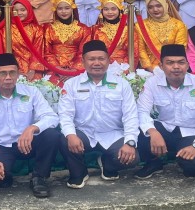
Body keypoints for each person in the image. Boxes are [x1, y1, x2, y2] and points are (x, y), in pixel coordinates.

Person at [0, 53, 61, 198]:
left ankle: (39, 177)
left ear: (18, 73)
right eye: (2, 73)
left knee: (51, 135)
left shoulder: (31, 92)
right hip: (0, 147)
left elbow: (51, 117)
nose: (8, 77)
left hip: (27, 143)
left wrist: (32, 128)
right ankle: (6, 176)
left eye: (12, 72)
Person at [59, 40, 139, 188]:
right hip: (84, 134)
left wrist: (129, 142)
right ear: (83, 61)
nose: (97, 63)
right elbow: (65, 115)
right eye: (91, 59)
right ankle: (79, 173)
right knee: (65, 138)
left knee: (132, 158)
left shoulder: (122, 84)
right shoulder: (71, 85)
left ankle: (108, 165)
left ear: (108, 61)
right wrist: (71, 135)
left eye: (101, 59)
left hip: (112, 134)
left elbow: (130, 115)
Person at [135, 44, 195, 179]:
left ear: (187, 65)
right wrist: (152, 132)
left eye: (181, 62)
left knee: (194, 167)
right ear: (161, 66)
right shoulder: (152, 83)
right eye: (170, 63)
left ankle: (184, 161)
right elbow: (141, 111)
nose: (176, 67)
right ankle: (153, 162)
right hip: (165, 129)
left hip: (191, 133)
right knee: (140, 128)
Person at [92, 0, 147, 65]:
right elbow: (92, 53)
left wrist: (123, 69)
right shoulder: (95, 29)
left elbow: (134, 54)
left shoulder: (128, 30)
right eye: (106, 9)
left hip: (123, 67)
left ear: (119, 10)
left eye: (113, 9)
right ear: (102, 11)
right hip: (101, 66)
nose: (110, 12)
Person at [42, 0, 91, 76]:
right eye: (60, 8)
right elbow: (47, 52)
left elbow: (83, 52)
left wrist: (74, 70)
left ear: (72, 8)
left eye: (67, 8)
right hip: (53, 70)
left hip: (76, 70)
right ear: (55, 9)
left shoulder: (83, 29)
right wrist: (57, 68)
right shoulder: (48, 28)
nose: (63, 11)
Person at [0, 0, 45, 78]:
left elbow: (38, 50)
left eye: (23, 10)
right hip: (10, 67)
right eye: (16, 10)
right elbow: (3, 50)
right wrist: (13, 70)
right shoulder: (6, 29)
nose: (19, 13)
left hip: (32, 68)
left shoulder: (37, 29)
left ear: (29, 10)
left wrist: (32, 70)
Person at [138, 0, 188, 71]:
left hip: (173, 68)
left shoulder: (178, 25)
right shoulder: (140, 25)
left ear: (166, 6)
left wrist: (170, 68)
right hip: (148, 69)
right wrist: (151, 69)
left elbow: (180, 49)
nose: (155, 9)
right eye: (150, 7)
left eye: (159, 6)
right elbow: (141, 50)